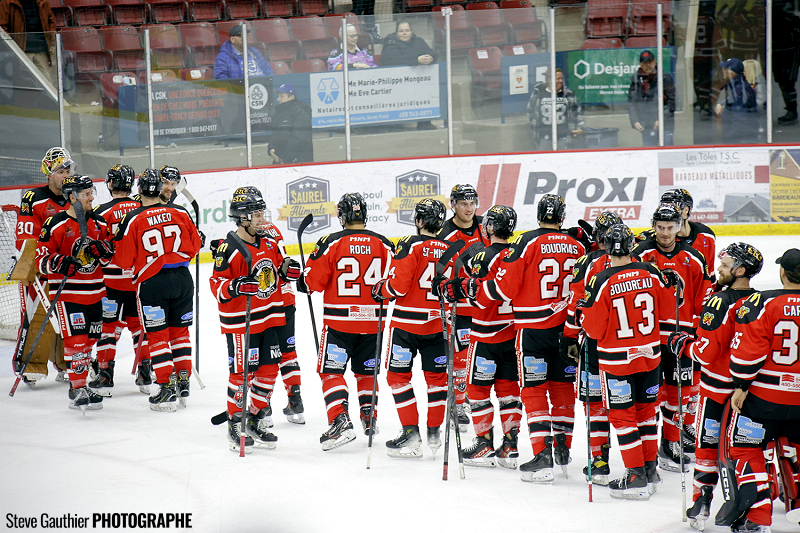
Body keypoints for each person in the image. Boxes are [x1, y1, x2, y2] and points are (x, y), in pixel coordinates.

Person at [468, 194, 585, 483]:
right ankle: (563, 449)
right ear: (562, 217)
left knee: (533, 391)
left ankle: (542, 455)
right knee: (562, 388)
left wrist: (474, 290)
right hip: (567, 330)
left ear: (538, 215)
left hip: (532, 331)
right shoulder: (578, 245)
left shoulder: (527, 242)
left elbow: (504, 289)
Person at [666, 243, 762, 531]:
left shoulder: (719, 302)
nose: (718, 267)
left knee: (707, 446)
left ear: (740, 270)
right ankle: (753, 509)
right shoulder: (761, 300)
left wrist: (683, 344)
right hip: (750, 391)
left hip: (717, 391)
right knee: (747, 449)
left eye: (725, 264)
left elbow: (706, 352)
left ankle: (702, 502)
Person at [578, 223, 678, 500]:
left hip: (618, 360)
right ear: (632, 246)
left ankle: (635, 475)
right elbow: (668, 309)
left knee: (623, 417)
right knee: (646, 413)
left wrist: (582, 314)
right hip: (650, 355)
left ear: (607, 248)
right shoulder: (651, 271)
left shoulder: (600, 279)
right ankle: (649, 469)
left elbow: (594, 330)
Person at [298, 193, 394, 451]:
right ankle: (369, 416)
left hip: (339, 324)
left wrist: (303, 280)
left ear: (342, 216)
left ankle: (340, 421)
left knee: (330, 372)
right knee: (366, 372)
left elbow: (313, 282)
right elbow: (397, 282)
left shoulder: (331, 242)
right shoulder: (385, 244)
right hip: (374, 323)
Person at [210, 187, 300, 453]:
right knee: (242, 373)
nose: (262, 219)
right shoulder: (228, 248)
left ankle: (255, 417)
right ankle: (235, 422)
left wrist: (287, 271)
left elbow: (276, 274)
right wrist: (235, 286)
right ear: (242, 217)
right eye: (257, 214)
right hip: (242, 323)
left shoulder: (269, 243)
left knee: (269, 370)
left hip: (270, 317)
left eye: (262, 213)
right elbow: (216, 284)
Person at [631, 204, 712, 473]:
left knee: (679, 394)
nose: (665, 233)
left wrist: (698, 332)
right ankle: (648, 449)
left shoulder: (694, 257)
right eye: (660, 227)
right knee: (650, 397)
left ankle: (671, 443)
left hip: (681, 340)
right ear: (653, 226)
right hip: (649, 339)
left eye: (670, 227)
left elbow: (703, 299)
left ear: (679, 227)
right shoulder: (640, 254)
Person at [113, 168, 202, 413]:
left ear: (139, 189)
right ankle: (183, 382)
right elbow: (196, 246)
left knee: (158, 336)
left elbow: (123, 260)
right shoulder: (181, 212)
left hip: (152, 283)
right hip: (183, 280)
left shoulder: (132, 218)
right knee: (180, 333)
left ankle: (165, 387)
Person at [371, 198, 452, 458]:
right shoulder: (451, 249)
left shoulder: (409, 244)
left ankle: (411, 432)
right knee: (437, 380)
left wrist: (381, 288)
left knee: (398, 377)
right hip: (439, 325)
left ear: (418, 220)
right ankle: (434, 432)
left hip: (406, 326)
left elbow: (398, 286)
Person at [727, 248, 800, 533]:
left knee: (745, 448)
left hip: (764, 398)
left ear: (782, 273)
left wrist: (741, 386)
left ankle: (757, 519)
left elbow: (748, 353)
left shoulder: (761, 302)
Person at [450, 205, 522, 469]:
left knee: (477, 389)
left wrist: (456, 288)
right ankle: (511, 445)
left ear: (489, 226)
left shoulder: (483, 256)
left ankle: (484, 443)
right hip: (512, 333)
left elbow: (477, 295)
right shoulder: (518, 254)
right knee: (509, 390)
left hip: (485, 333)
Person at [35, 174, 114, 411]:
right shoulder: (55, 223)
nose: (91, 198)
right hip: (69, 294)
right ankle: (78, 387)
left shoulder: (100, 223)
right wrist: (58, 262)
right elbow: (40, 259)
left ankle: (78, 383)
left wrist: (105, 250)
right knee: (76, 340)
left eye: (91, 193)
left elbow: (109, 257)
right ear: (72, 197)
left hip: (96, 292)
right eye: (86, 194)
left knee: (90, 340)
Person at [563, 211, 623, 485]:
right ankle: (645, 464)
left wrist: (569, 335)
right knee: (636, 407)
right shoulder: (639, 261)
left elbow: (576, 302)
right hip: (630, 344)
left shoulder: (587, 261)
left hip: (595, 343)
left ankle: (599, 460)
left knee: (595, 403)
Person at [90, 165, 151, 395]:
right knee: (138, 326)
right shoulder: (142, 209)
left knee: (107, 327)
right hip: (137, 281)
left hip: (111, 282)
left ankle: (105, 375)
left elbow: (95, 247)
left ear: (110, 184)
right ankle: (145, 373)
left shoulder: (100, 212)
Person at [13, 146, 71, 384]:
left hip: (67, 268)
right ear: (49, 173)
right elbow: (25, 237)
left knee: (69, 316)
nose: (66, 175)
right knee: (38, 315)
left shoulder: (75, 194)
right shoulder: (33, 198)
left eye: (67, 171)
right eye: (61, 171)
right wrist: (35, 264)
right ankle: (31, 365)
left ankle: (68, 362)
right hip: (41, 268)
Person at [435, 184, 490, 431]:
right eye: (463, 204)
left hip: (484, 303)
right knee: (459, 358)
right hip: (459, 306)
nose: (469, 209)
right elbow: (439, 271)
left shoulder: (485, 225)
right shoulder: (444, 234)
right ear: (453, 205)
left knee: (478, 358)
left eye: (472, 203)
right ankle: (456, 403)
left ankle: (466, 394)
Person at [380, 21, 437, 131]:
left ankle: (424, 122)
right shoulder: (390, 43)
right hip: (396, 82)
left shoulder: (419, 41)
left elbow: (432, 53)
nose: (404, 33)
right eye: (401, 31)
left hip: (419, 80)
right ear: (396, 33)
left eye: (407, 30)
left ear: (411, 32)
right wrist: (416, 60)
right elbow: (392, 60)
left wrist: (431, 58)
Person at [0, 0, 57, 85]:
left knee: (46, 82)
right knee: (25, 83)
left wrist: (52, 42)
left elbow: (50, 22)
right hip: (21, 51)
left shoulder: (43, 1)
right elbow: (2, 27)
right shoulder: (7, 2)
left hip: (41, 50)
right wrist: (12, 46)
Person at [527, 68, 583, 151]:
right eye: (558, 78)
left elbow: (577, 113)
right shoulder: (539, 93)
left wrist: (578, 128)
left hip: (564, 138)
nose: (561, 81)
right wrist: (536, 125)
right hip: (544, 138)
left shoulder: (568, 95)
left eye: (561, 78)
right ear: (549, 79)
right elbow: (530, 110)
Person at [628, 50, 676, 147]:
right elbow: (632, 102)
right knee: (649, 151)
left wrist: (661, 119)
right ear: (640, 64)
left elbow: (671, 102)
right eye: (645, 63)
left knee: (667, 149)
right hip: (647, 125)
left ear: (654, 61)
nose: (648, 65)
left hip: (665, 124)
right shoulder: (636, 80)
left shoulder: (664, 78)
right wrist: (634, 121)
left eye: (650, 62)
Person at [715, 57, 760, 144]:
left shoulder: (739, 90)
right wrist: (721, 104)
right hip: (742, 139)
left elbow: (740, 121)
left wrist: (728, 140)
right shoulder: (737, 86)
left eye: (725, 69)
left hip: (740, 141)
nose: (723, 71)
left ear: (731, 72)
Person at [269, 83, 313, 165]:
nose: (278, 99)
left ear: (292, 97)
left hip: (298, 162)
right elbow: (276, 135)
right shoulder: (280, 112)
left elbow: (300, 139)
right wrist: (271, 149)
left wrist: (285, 158)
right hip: (281, 160)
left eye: (282, 96)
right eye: (278, 96)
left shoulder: (300, 112)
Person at [772, 2, 800, 126]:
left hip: (790, 53)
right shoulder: (773, 19)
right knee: (782, 81)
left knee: (787, 82)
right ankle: (791, 109)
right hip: (777, 52)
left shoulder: (791, 20)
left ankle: (792, 110)